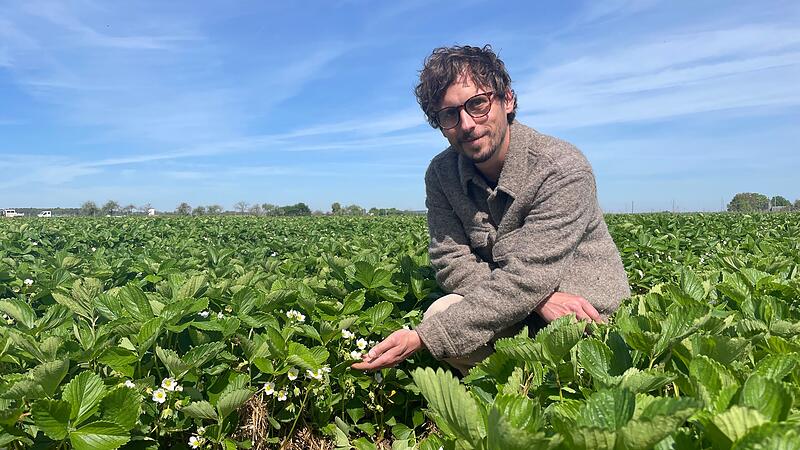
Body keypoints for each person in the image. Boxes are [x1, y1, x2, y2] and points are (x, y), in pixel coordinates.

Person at [353, 45, 630, 374]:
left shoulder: (560, 168)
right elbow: (450, 262)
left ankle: (550, 393)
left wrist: (424, 340)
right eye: (449, 114)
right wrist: (537, 299)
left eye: (478, 104)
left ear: (507, 100)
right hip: (515, 307)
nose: (467, 124)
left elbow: (529, 277)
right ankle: (511, 396)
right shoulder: (441, 174)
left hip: (581, 317)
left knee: (445, 328)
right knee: (441, 311)